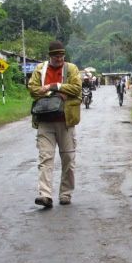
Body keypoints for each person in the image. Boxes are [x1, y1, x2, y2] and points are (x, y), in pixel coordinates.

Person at [28, 41, 82, 208]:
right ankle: (45, 195)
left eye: (61, 55)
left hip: (66, 120)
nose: (59, 58)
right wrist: (57, 93)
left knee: (68, 159)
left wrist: (53, 86)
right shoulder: (40, 70)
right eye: (56, 55)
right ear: (49, 56)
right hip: (44, 121)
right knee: (45, 158)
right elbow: (32, 89)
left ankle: (65, 194)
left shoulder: (71, 69)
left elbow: (76, 88)